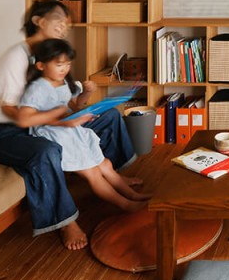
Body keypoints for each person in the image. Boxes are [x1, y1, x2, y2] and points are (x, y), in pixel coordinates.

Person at [0, 0, 137, 250]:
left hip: (47, 123)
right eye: (59, 20)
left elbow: (69, 103)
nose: (64, 27)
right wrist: (61, 120)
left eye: (67, 23)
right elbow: (15, 112)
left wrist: (84, 101)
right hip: (5, 133)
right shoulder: (16, 58)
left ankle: (111, 176)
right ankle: (64, 221)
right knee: (46, 152)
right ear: (38, 21)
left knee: (109, 117)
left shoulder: (53, 55)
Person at [18, 39, 150, 212]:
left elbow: (74, 105)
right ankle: (126, 205)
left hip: (72, 130)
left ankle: (132, 195)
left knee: (106, 164)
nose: (64, 69)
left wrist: (86, 94)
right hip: (54, 134)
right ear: (41, 66)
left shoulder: (62, 82)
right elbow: (27, 118)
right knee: (94, 173)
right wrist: (62, 121)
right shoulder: (37, 89)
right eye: (59, 65)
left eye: (67, 64)